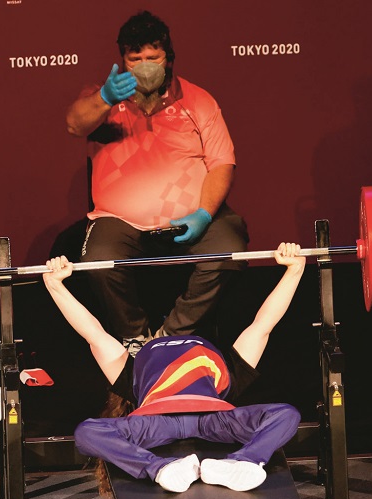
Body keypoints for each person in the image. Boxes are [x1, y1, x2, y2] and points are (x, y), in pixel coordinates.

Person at [43, 244, 304, 493]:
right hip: (157, 423)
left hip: (213, 419)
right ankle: (161, 469)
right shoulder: (133, 373)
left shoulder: (138, 369)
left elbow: (263, 324)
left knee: (286, 414)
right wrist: (54, 285)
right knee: (87, 432)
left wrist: (294, 270)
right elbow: (92, 333)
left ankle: (243, 462)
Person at [65, 10, 248, 357]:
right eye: (135, 58)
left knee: (229, 252)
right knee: (98, 261)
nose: (144, 65)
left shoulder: (199, 100)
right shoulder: (102, 99)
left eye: (153, 57)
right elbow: (75, 124)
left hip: (192, 217)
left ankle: (171, 334)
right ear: (123, 60)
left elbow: (222, 163)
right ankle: (135, 340)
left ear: (169, 58)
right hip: (119, 222)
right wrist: (105, 98)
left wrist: (204, 214)